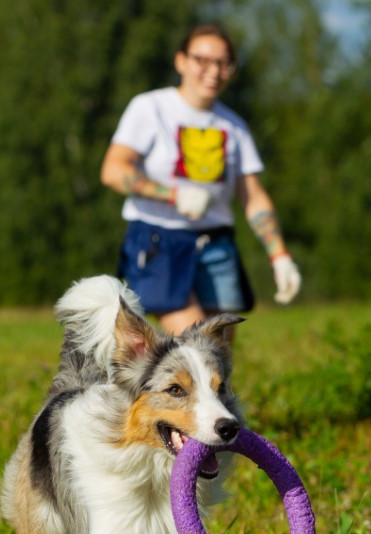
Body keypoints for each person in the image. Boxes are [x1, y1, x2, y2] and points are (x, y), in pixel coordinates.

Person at [100, 22, 302, 336]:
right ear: (181, 61)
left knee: (218, 357)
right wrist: (173, 195)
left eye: (223, 63)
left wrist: (280, 256)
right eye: (202, 60)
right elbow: (113, 171)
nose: (213, 71)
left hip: (216, 245)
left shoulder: (234, 126)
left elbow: (253, 196)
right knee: (195, 348)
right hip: (159, 241)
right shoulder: (151, 108)